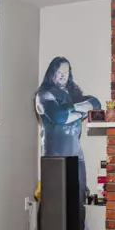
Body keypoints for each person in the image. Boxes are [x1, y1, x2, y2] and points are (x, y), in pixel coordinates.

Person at [34, 57, 101, 195]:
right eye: (59, 71)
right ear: (52, 72)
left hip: (77, 157)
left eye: (66, 71)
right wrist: (81, 111)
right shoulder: (44, 94)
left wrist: (71, 108)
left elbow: (96, 103)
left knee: (78, 200)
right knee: (56, 201)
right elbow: (59, 117)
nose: (63, 75)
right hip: (55, 158)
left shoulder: (73, 94)